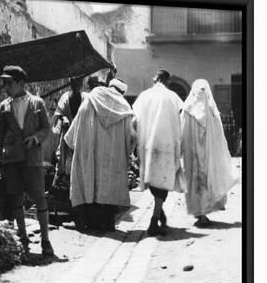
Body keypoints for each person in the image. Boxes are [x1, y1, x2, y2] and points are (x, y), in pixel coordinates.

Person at [0, 65, 54, 257]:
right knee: (16, 197)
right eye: (4, 83)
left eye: (9, 83)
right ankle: (23, 238)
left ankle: (45, 241)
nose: (5, 87)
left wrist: (35, 138)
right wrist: (0, 156)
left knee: (39, 197)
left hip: (32, 159)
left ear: (21, 83)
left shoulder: (37, 103)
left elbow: (47, 128)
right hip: (12, 158)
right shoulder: (4, 106)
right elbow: (0, 134)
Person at [64, 78, 135, 231]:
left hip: (89, 153)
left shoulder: (90, 99)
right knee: (108, 187)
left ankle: (87, 222)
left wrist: (73, 147)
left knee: (88, 183)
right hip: (112, 158)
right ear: (122, 92)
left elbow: (74, 129)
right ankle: (108, 223)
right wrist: (127, 153)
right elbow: (132, 137)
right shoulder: (125, 108)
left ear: (109, 86)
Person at [132, 69, 186, 236]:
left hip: (148, 146)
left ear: (156, 80)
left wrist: (137, 141)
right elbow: (181, 119)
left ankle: (158, 215)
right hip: (167, 146)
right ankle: (154, 220)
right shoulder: (172, 97)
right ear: (167, 81)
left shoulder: (144, 96)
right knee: (163, 183)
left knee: (154, 182)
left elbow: (134, 122)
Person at [181, 79, 239, 227]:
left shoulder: (193, 110)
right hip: (200, 156)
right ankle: (201, 214)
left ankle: (202, 213)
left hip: (201, 156)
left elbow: (219, 137)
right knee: (201, 182)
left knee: (200, 182)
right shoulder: (206, 111)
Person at [51, 78, 87, 188]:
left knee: (80, 156)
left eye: (78, 84)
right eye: (74, 84)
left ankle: (78, 182)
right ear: (70, 84)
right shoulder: (65, 97)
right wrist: (63, 118)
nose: (76, 86)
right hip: (67, 131)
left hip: (81, 132)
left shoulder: (86, 97)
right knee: (63, 155)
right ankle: (61, 179)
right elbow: (57, 114)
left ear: (81, 84)